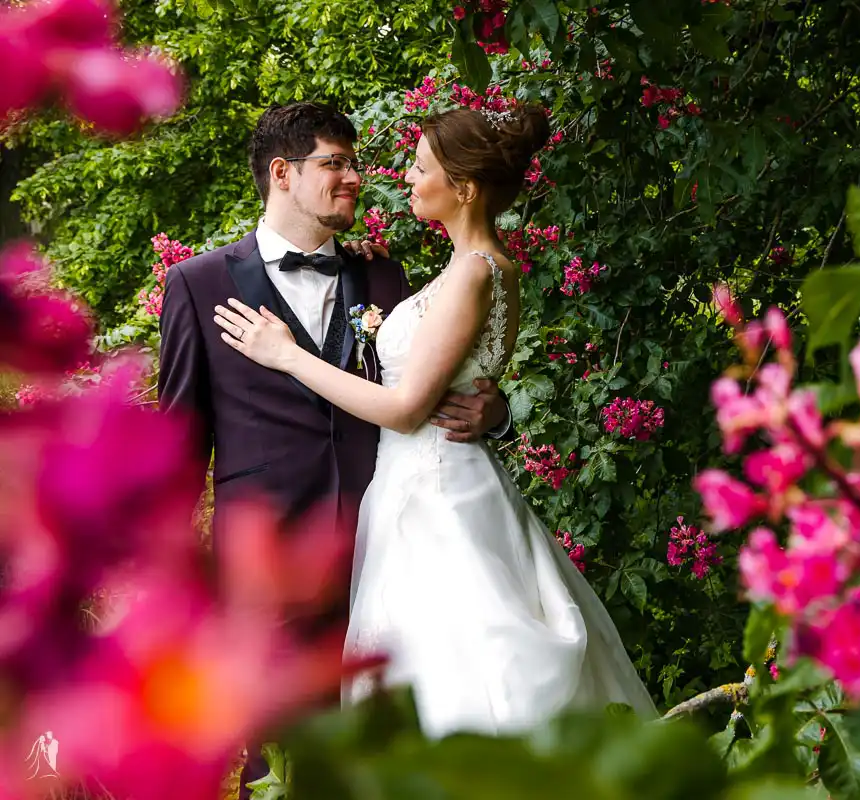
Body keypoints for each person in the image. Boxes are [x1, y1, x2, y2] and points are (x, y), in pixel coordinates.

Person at [212, 103, 658, 739]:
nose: (396, 180)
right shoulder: (443, 274)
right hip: (330, 523)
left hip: (434, 500)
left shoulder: (460, 272)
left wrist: (286, 355)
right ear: (282, 173)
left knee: (461, 674)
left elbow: (407, 404)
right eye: (339, 163)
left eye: (419, 168)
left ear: (464, 188)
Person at [157, 102, 511, 798]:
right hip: (270, 578)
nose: (355, 177)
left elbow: (433, 383)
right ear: (283, 174)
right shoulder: (198, 286)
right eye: (335, 164)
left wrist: (494, 413)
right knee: (281, 772)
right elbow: (175, 454)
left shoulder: (383, 278)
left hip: (390, 559)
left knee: (392, 762)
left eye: (354, 162)